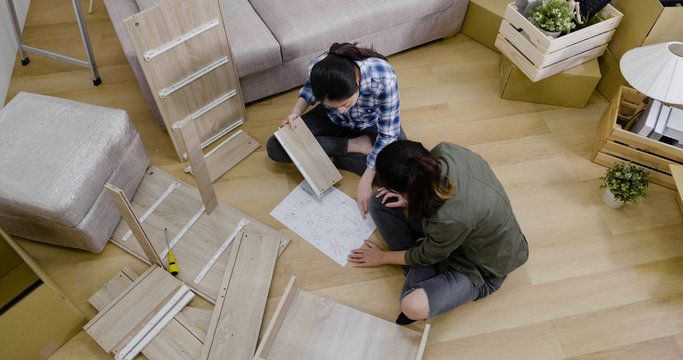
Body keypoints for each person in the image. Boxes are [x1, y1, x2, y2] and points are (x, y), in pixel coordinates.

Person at [347, 140, 529, 324]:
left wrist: (383, 257)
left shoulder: (449, 218)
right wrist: (408, 198)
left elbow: (441, 230)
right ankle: (422, 251)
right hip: (458, 232)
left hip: (483, 266)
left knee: (411, 306)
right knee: (379, 201)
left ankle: (425, 256)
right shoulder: (444, 150)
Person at [266, 42, 406, 218]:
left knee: (402, 169)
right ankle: (353, 145)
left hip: (371, 124)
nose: (341, 109)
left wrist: (366, 180)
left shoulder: (384, 77)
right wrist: (295, 113)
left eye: (345, 103)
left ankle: (329, 154)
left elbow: (388, 134)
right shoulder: (319, 68)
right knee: (276, 147)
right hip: (332, 121)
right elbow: (310, 89)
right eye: (334, 105)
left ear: (357, 82)